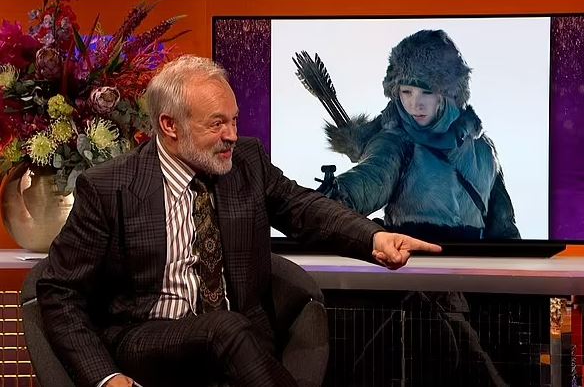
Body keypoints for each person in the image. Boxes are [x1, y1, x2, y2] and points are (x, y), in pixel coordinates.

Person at [35, 55, 442, 387]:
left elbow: (304, 208)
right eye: (217, 123)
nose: (233, 134)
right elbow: (58, 290)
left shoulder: (247, 161)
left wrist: (374, 237)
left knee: (230, 331)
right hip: (149, 337)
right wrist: (105, 378)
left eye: (234, 119)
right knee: (223, 329)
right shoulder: (112, 186)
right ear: (169, 126)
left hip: (243, 345)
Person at [294, 29, 519, 386]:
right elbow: (367, 182)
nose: (415, 104)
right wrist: (335, 197)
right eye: (405, 92)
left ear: (448, 91)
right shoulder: (395, 142)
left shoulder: (482, 150)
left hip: (475, 290)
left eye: (425, 91)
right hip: (410, 286)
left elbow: (504, 228)